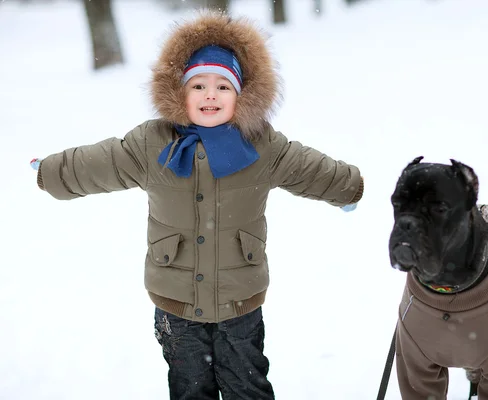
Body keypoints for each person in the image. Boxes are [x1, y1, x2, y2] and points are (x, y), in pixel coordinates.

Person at [30, 11, 363, 400]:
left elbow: (307, 167)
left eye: (223, 86)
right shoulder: (153, 144)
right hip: (176, 302)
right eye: (199, 85)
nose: (210, 95)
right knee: (190, 389)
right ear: (179, 92)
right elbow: (104, 161)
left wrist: (349, 187)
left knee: (247, 385)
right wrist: (52, 171)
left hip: (240, 300)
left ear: (242, 95)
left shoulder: (261, 145)